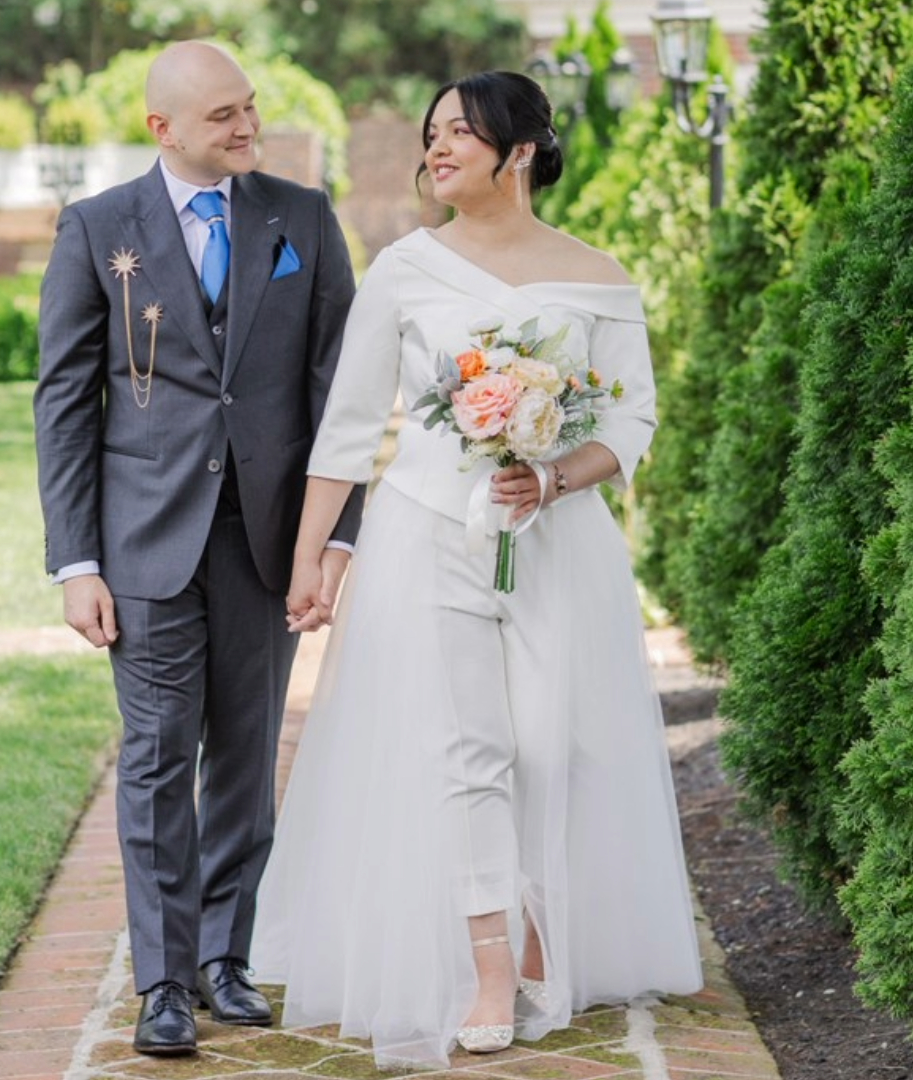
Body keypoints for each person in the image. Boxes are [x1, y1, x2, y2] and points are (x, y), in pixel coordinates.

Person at [250, 70, 703, 1068]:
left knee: (551, 746)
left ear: (524, 149)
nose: (437, 149)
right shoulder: (405, 269)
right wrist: (311, 560)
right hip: (422, 534)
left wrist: (552, 480)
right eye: (431, 134)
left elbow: (632, 414)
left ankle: (541, 929)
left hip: (557, 541)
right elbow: (352, 425)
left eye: (460, 131)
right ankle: (491, 964)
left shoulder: (598, 275)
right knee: (469, 753)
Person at [33, 40, 361, 1058]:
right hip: (143, 544)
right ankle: (165, 979)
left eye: (249, 108)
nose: (246, 126)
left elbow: (339, 396)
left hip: (267, 546)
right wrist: (75, 561)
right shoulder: (97, 229)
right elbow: (64, 402)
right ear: (161, 127)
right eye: (223, 115)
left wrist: (336, 536)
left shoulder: (301, 218)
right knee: (157, 755)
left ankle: (228, 957)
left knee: (246, 755)